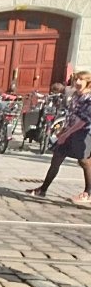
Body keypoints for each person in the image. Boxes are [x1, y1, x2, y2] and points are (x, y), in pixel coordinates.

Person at [26, 70, 91, 204]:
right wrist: (63, 130)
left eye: (81, 80)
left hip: (83, 133)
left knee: (84, 161)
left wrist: (67, 133)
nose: (77, 82)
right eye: (76, 79)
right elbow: (70, 115)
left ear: (88, 82)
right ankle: (43, 189)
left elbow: (83, 121)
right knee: (57, 158)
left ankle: (88, 193)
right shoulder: (75, 95)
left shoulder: (88, 99)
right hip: (70, 131)